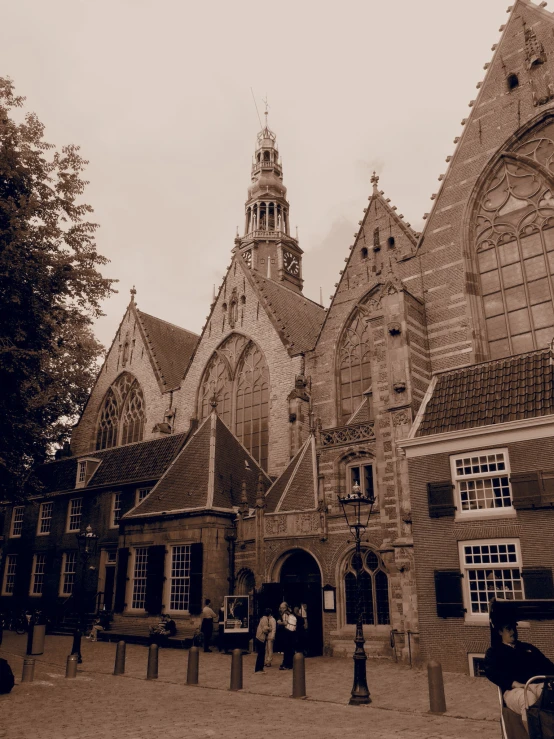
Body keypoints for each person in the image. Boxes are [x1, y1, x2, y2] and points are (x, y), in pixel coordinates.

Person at [485, 616, 554, 731]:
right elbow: (491, 672)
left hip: (536, 684)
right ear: (500, 632)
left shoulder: (527, 648)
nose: (513, 632)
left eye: (514, 628)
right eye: (508, 629)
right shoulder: (495, 652)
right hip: (513, 690)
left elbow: (547, 665)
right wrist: (513, 683)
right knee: (527, 698)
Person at [277, 603, 297, 670]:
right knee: (290, 648)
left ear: (285, 608)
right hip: (291, 633)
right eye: (280, 608)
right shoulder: (290, 613)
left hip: (287, 632)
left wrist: (280, 622)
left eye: (282, 608)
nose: (281, 609)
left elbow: (285, 623)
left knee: (287, 649)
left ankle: (287, 664)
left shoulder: (285, 614)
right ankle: (290, 664)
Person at [254, 609, 272, 673]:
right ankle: (259, 668)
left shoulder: (262, 618)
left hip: (259, 638)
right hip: (261, 638)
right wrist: (270, 629)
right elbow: (264, 629)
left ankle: (259, 668)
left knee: (261, 654)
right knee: (261, 654)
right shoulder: (265, 619)